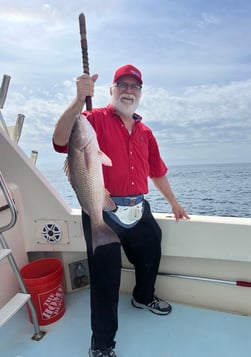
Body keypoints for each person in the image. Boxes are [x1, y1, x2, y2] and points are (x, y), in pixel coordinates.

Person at [53, 64, 190, 357]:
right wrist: (78, 101)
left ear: (140, 93)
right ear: (111, 90)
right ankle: (101, 345)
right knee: (105, 280)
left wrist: (173, 202)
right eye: (122, 85)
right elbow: (61, 140)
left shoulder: (145, 131)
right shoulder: (91, 119)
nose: (128, 91)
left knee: (151, 252)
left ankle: (142, 297)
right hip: (102, 210)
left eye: (134, 86)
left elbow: (157, 171)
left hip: (138, 208)